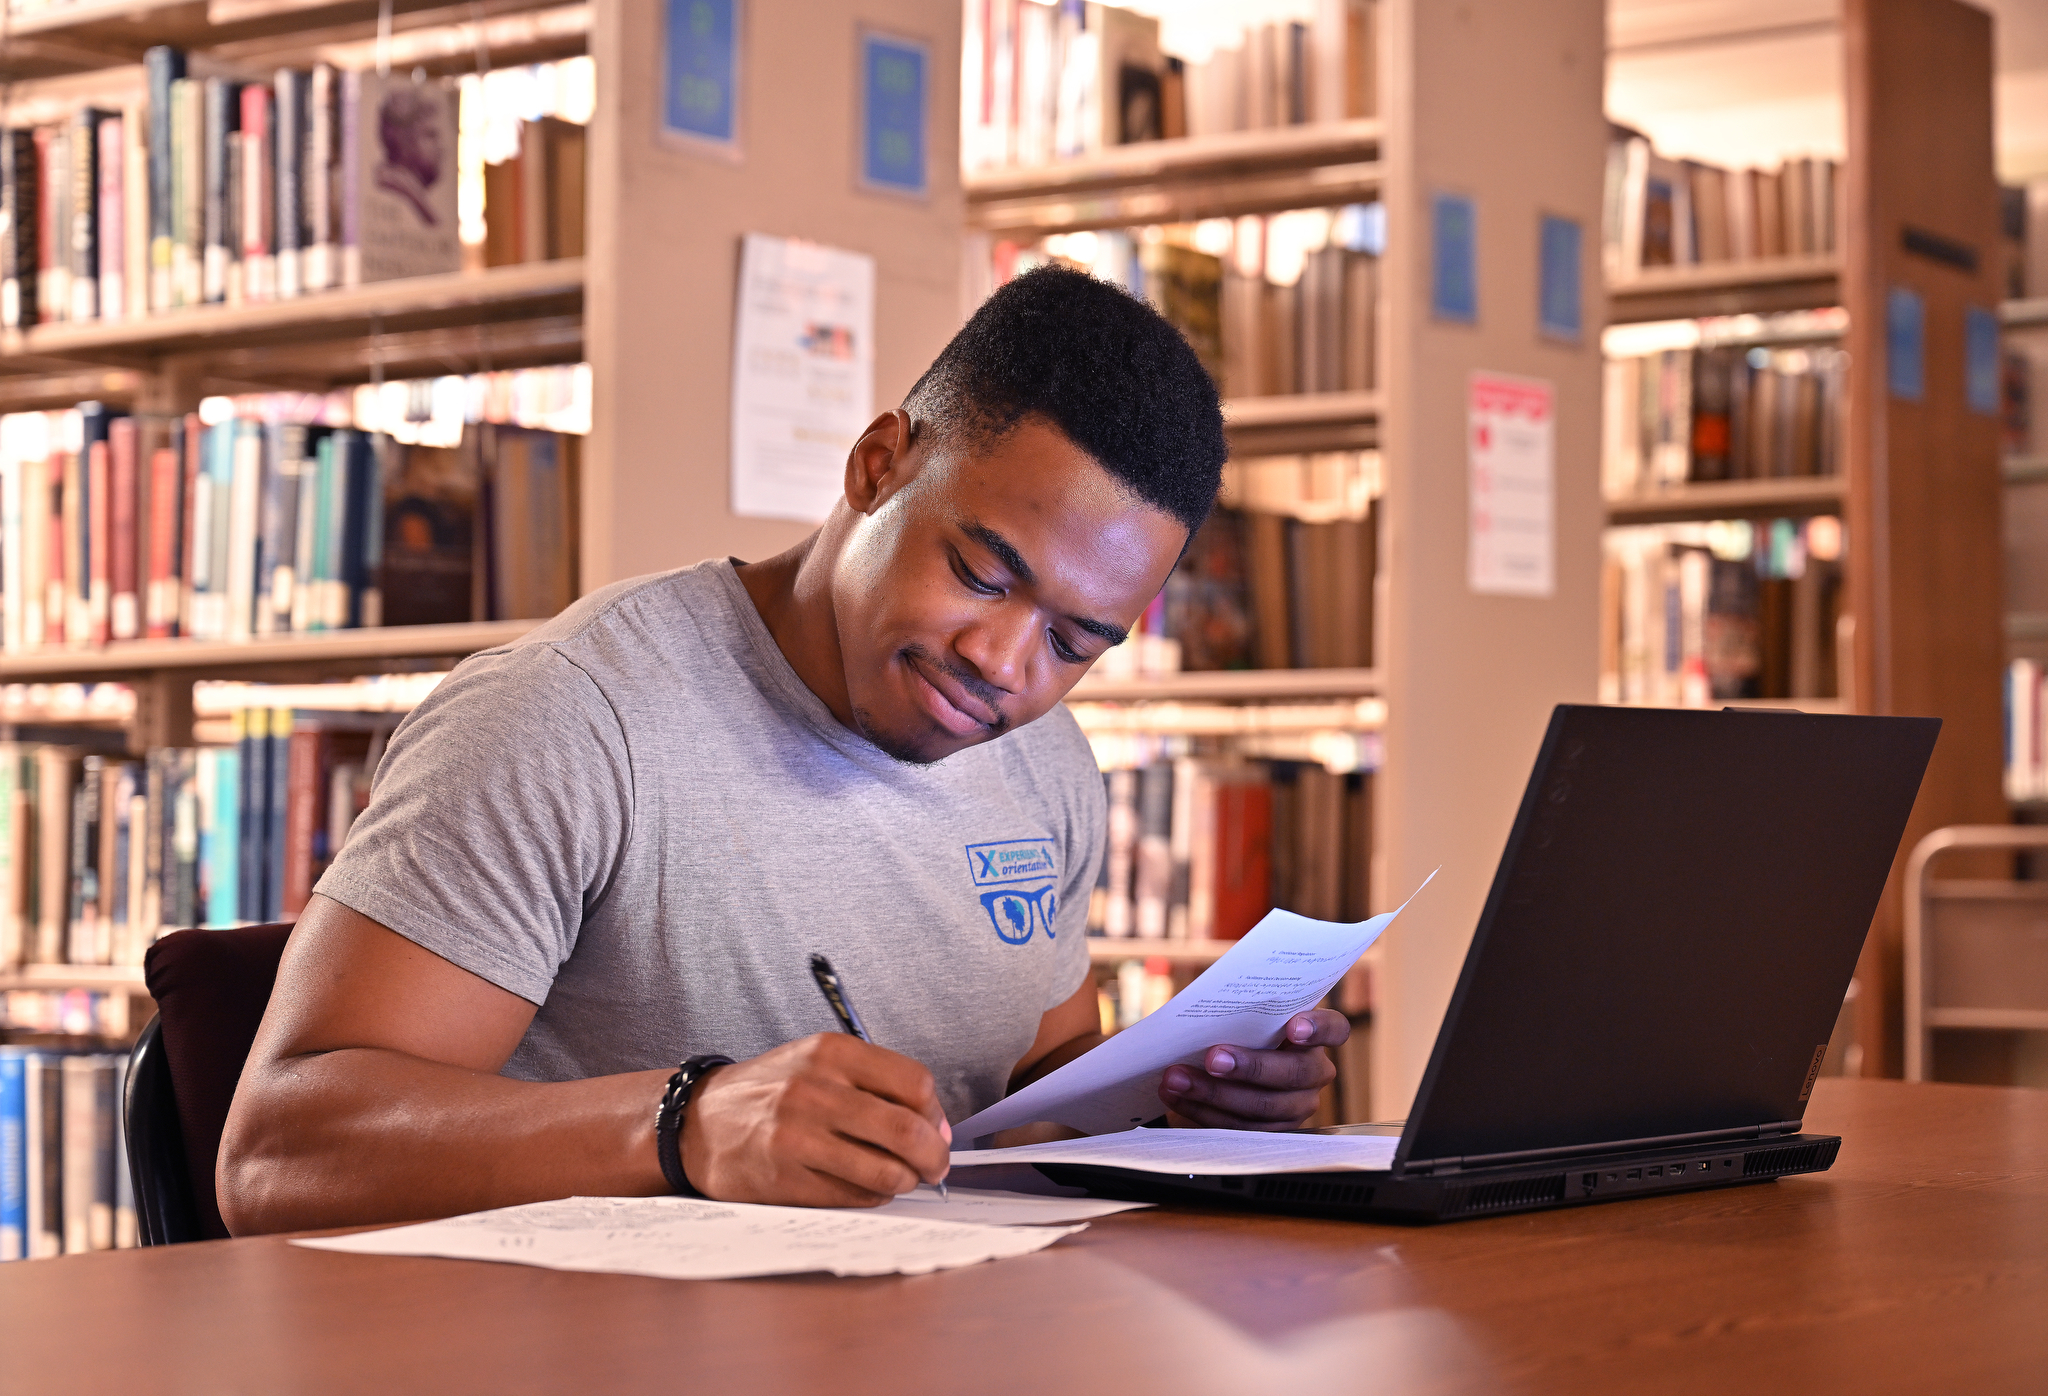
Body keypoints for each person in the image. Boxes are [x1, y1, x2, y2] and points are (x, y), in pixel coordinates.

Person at [217, 267, 1351, 1233]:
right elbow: (275, 1153)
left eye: (1073, 639)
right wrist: (683, 1123)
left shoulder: (1045, 765)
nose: (1006, 665)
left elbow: (1025, 1103)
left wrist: (1178, 1102)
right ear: (876, 466)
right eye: (983, 574)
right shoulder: (569, 718)